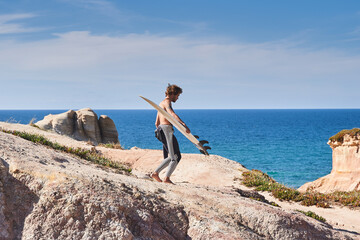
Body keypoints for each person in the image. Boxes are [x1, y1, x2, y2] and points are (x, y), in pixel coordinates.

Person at [151, 84, 190, 184]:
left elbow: (156, 122)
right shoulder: (167, 102)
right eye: (177, 95)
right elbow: (171, 113)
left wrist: (161, 133)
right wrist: (183, 124)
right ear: (172, 94)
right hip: (166, 130)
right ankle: (166, 178)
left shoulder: (161, 103)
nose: (178, 98)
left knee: (175, 155)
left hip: (162, 130)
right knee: (175, 157)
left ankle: (156, 173)